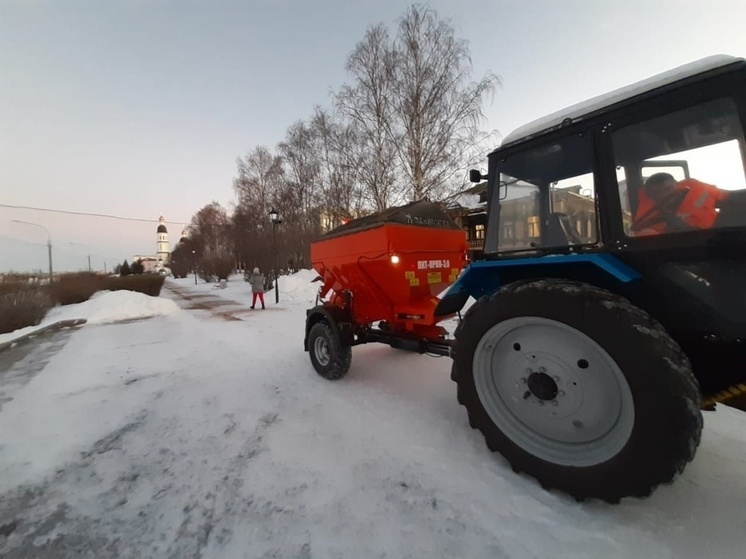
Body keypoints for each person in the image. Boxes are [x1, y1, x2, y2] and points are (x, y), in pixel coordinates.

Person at [631, 172, 730, 236]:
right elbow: (653, 244)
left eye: (668, 189)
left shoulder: (696, 187)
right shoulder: (644, 218)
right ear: (650, 195)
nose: (665, 195)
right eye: (658, 193)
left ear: (676, 184)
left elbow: (725, 196)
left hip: (719, 233)